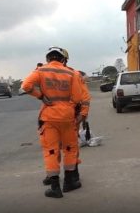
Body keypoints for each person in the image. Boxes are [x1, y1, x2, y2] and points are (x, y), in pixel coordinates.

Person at [22, 46, 83, 198]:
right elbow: (77, 98)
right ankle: (69, 183)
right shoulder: (72, 73)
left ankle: (55, 187)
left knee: (51, 151)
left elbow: (26, 86)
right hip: (68, 117)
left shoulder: (41, 71)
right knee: (69, 149)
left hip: (49, 117)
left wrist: (40, 96)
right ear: (62, 59)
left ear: (48, 59)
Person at [42, 48, 91, 186]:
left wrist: (82, 114)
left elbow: (85, 97)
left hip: (64, 117)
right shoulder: (56, 73)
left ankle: (67, 175)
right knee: (61, 147)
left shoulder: (72, 74)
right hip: (62, 116)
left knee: (63, 147)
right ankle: (58, 175)